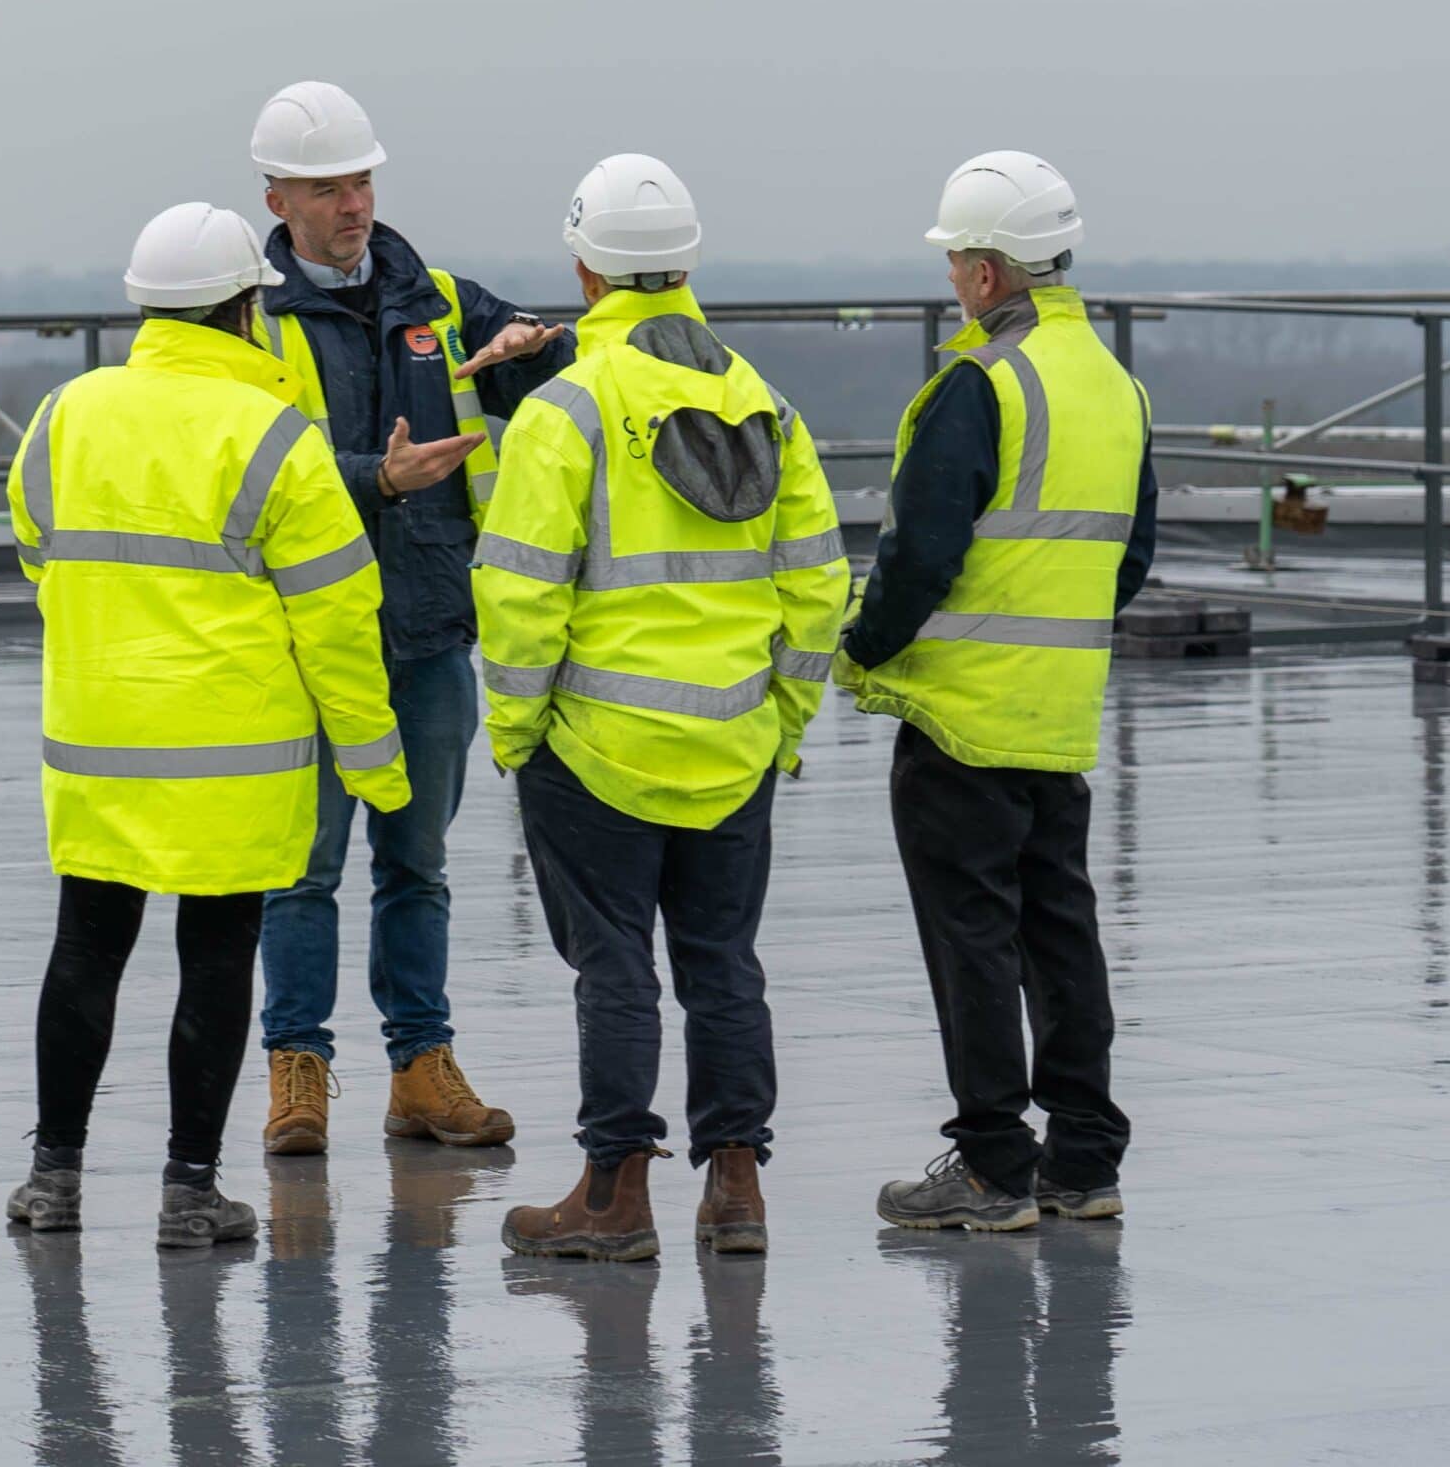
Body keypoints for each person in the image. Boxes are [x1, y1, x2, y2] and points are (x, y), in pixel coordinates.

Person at [2, 202, 410, 1249]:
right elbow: (338, 618)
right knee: (217, 959)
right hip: (232, 758)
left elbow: (41, 555)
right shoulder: (273, 435)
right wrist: (376, 766)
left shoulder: (66, 413)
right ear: (243, 311)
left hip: (98, 742)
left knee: (86, 949)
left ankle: (53, 1178)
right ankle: (190, 1191)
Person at [475, 155, 849, 1260]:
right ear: (683, 265)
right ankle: (735, 1190)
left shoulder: (566, 411)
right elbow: (819, 580)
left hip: (595, 748)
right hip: (732, 742)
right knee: (722, 966)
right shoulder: (761, 401)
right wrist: (781, 719)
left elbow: (519, 591)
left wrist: (517, 729)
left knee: (616, 969)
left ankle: (613, 1198)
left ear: (586, 272)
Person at [249, 80, 573, 1156]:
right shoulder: (249, 321)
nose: (353, 202)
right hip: (305, 636)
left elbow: (544, 383)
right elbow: (248, 475)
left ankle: (421, 1070)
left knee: (417, 861)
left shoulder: (434, 297)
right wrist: (372, 481)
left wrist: (540, 350)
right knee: (303, 869)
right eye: (329, 186)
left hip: (428, 624)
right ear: (277, 198)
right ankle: (296, 1070)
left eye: (363, 180)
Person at [837, 151, 1157, 1230]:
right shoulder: (1115, 387)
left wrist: (861, 651)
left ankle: (988, 1166)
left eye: (957, 264)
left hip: (959, 714)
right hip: (1059, 713)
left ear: (984, 273)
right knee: (1059, 931)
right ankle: (1083, 1162)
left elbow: (917, 556)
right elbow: (1131, 555)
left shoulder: (982, 385)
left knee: (970, 935)